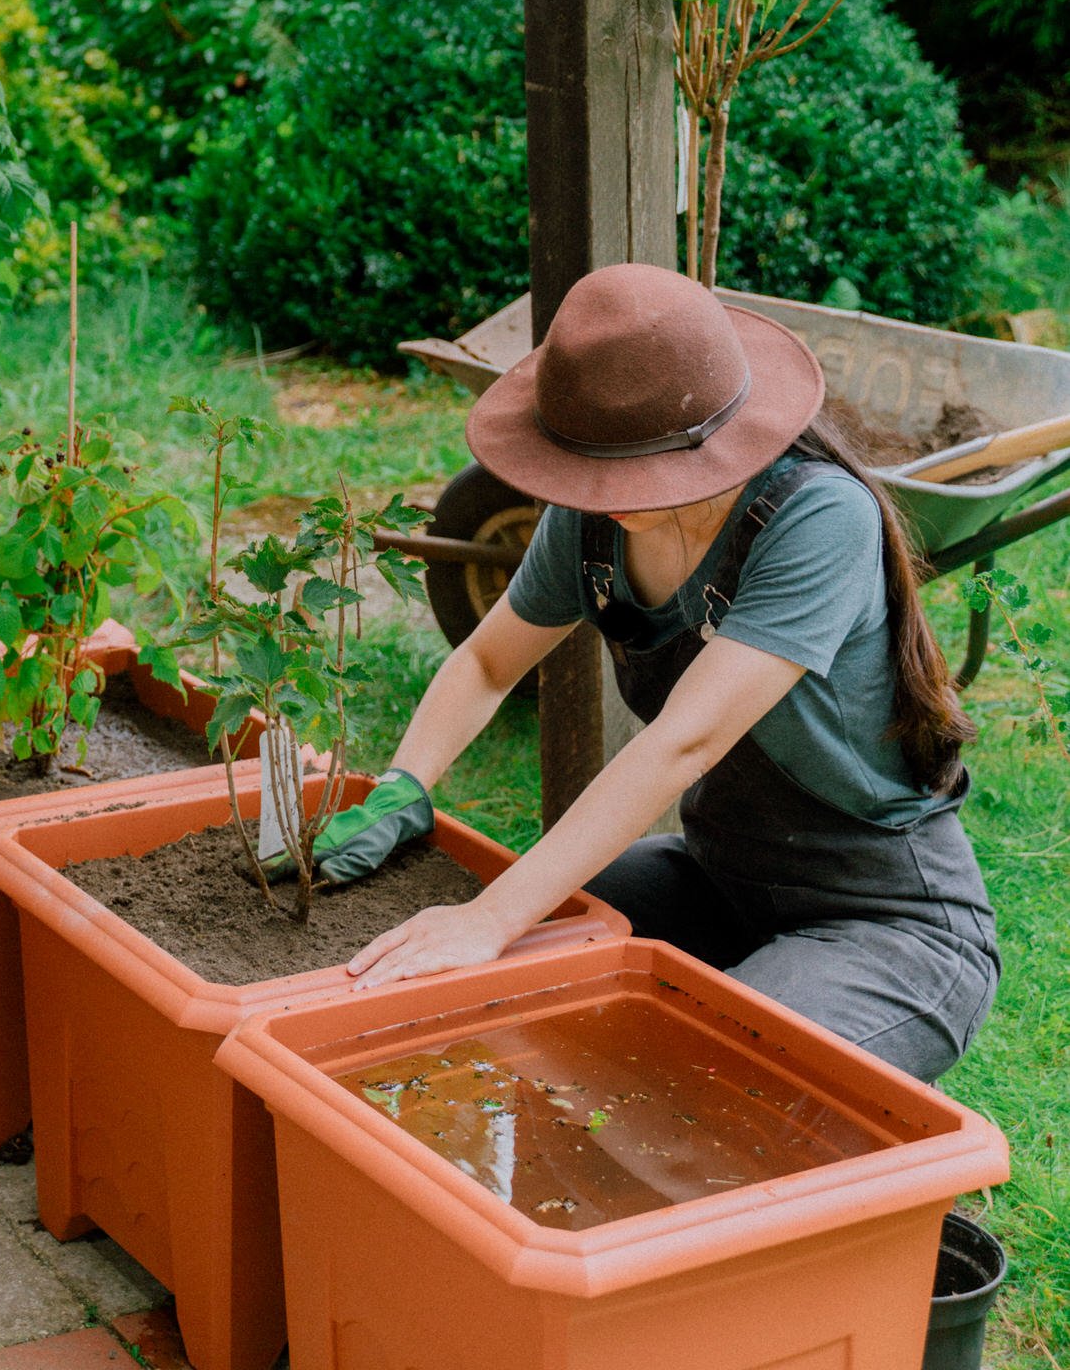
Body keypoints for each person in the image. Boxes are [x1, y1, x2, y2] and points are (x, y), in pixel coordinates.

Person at [308, 262, 998, 1086]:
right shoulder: (594, 521)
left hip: (885, 923)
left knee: (693, 1080)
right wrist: (403, 785)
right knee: (499, 969)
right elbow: (489, 662)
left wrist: (492, 918)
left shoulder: (815, 520)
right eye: (593, 469)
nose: (607, 494)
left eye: (632, 469)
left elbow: (683, 743)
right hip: (719, 879)